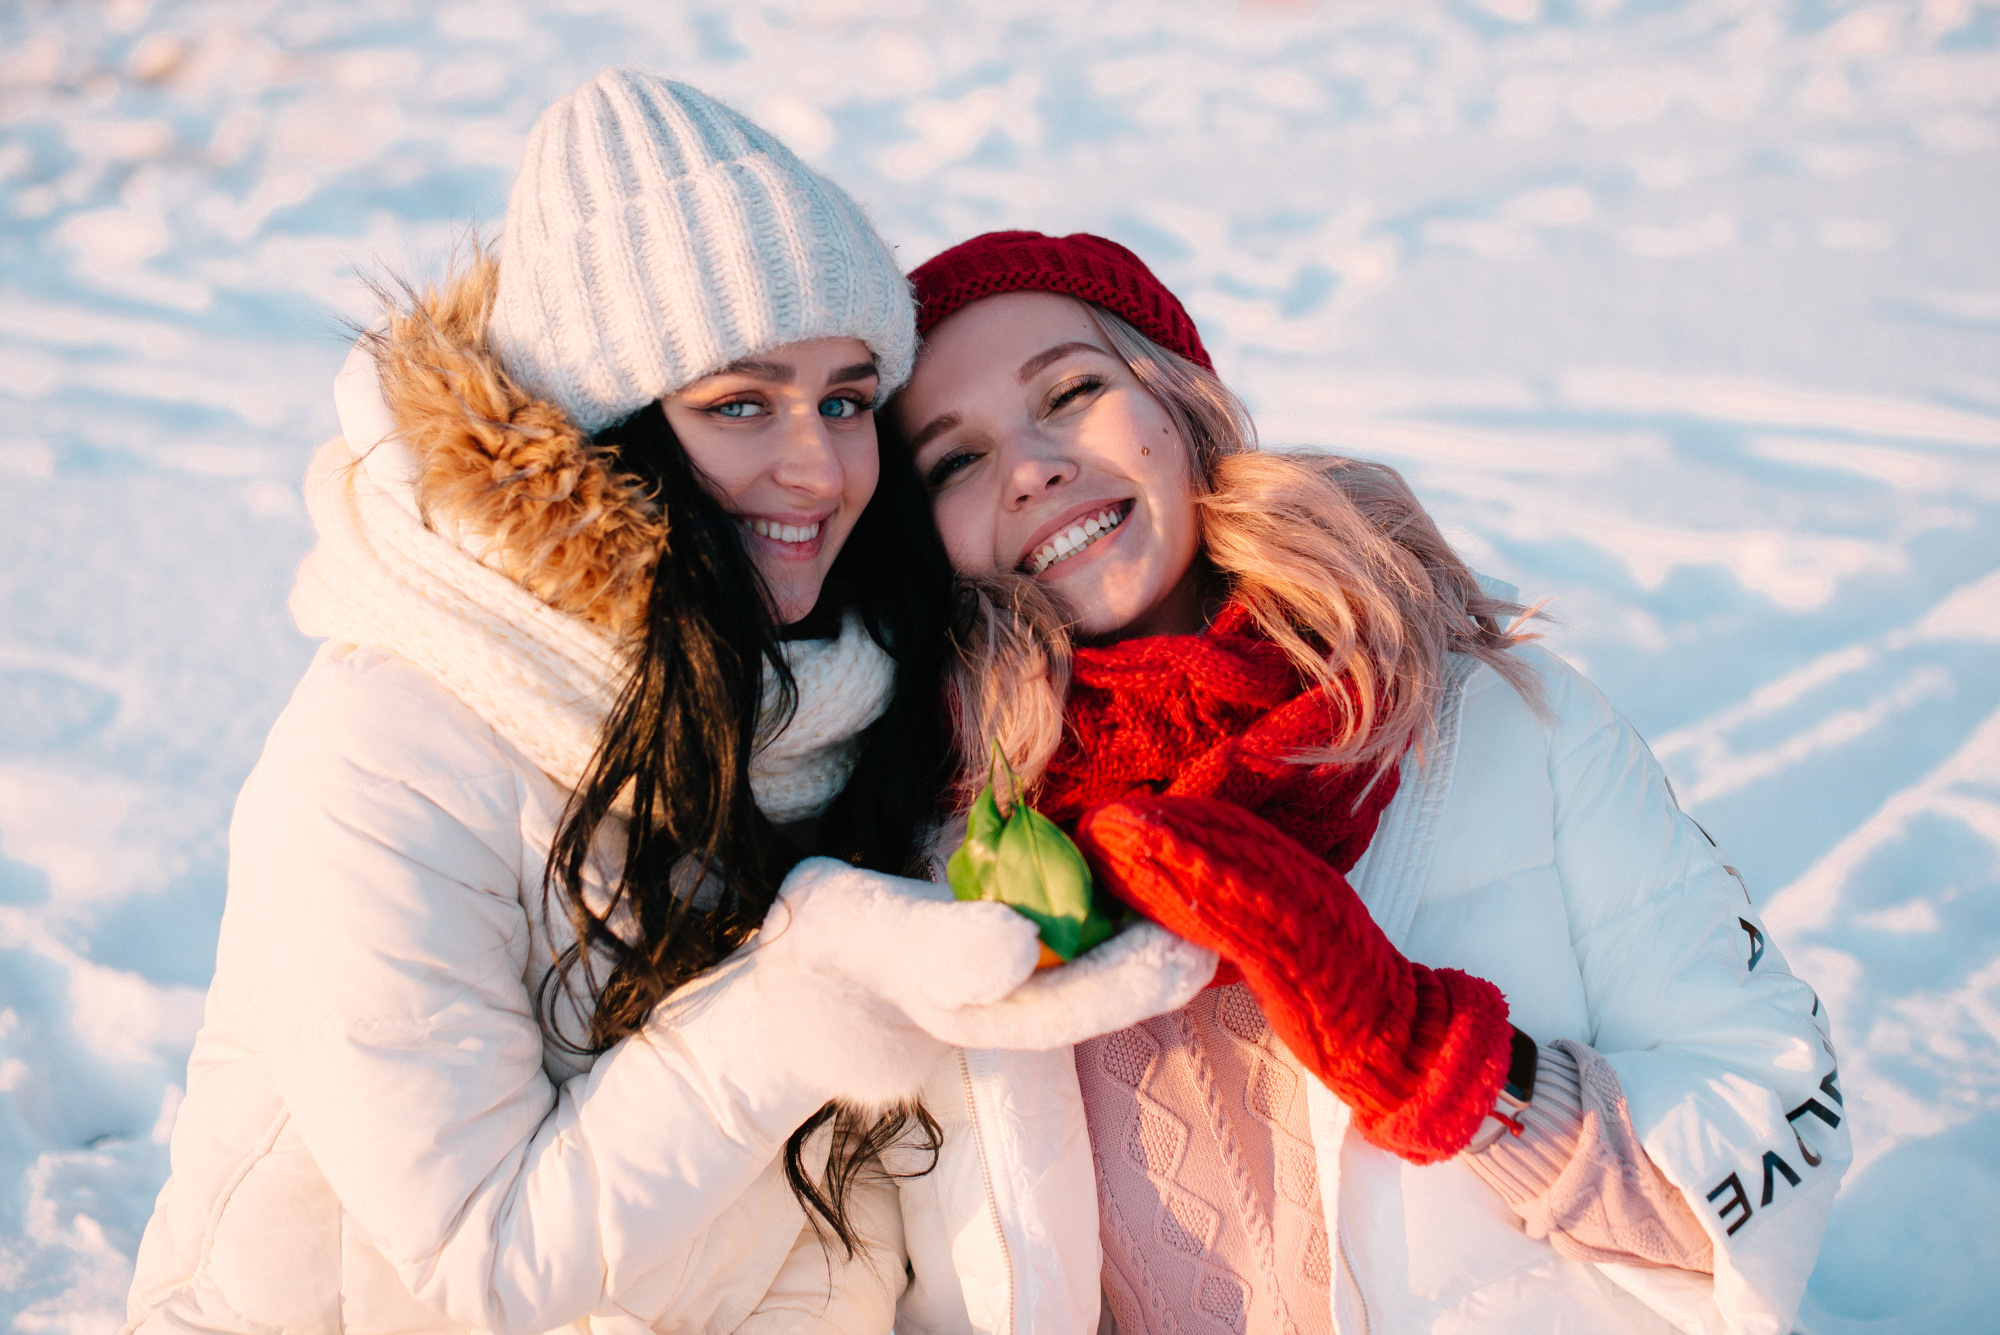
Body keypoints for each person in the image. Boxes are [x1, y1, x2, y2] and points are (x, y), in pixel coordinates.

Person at [121, 76, 1205, 1335]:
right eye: (740, 403)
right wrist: (807, 998)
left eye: (845, 398)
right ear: (608, 424)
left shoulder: (837, 686)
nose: (817, 466)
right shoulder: (387, 756)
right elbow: (489, 1268)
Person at [882, 230, 1851, 1334]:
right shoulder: (924, 848)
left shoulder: (1504, 729)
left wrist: (1446, 1066)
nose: (1029, 468)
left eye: (1070, 389)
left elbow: (1775, 1130)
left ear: (1181, 405)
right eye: (953, 461)